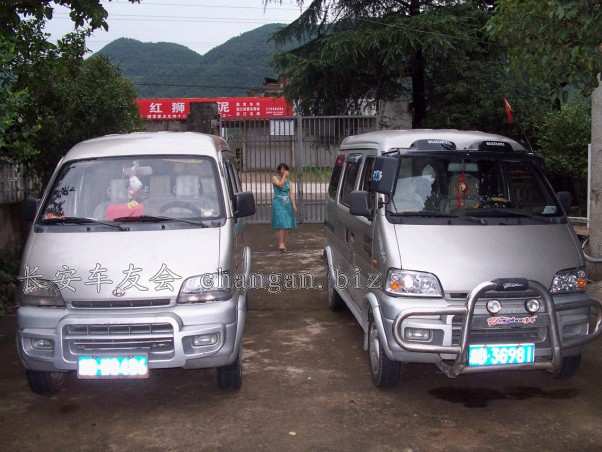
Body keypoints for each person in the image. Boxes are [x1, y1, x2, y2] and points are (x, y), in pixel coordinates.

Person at [271, 163, 297, 252]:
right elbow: (280, 185)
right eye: (282, 169)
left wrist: (294, 205)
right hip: (278, 203)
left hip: (287, 204)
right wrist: (284, 176)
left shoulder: (290, 182)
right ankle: (281, 244)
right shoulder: (275, 178)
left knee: (286, 224)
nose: (283, 171)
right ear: (279, 170)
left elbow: (291, 194)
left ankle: (283, 243)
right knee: (281, 223)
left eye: (285, 169)